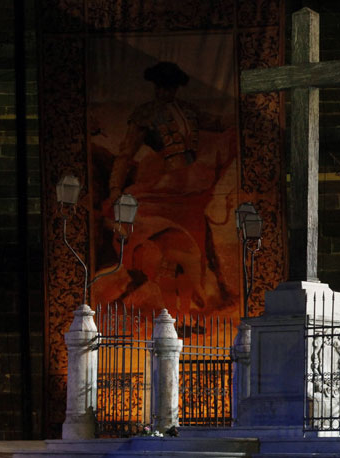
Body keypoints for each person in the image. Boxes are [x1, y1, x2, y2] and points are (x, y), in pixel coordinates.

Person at [97, 61, 239, 313]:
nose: (166, 92)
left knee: (200, 234)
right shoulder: (145, 114)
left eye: (170, 87)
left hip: (193, 186)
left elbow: (217, 123)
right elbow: (126, 153)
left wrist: (246, 112)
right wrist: (115, 189)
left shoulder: (188, 110)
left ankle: (207, 291)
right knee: (156, 237)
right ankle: (142, 291)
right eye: (162, 87)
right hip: (168, 187)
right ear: (156, 87)